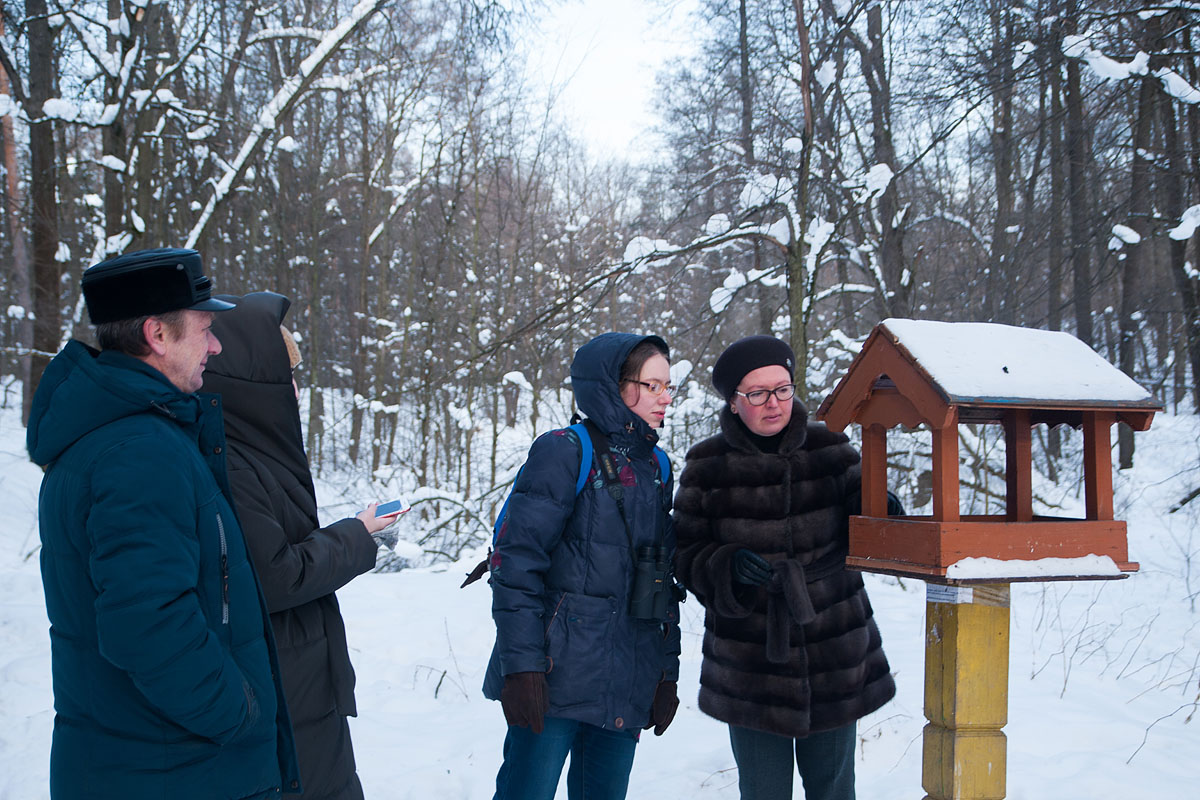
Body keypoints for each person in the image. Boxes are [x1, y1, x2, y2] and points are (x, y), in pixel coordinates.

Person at [26, 248, 300, 799]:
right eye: (205, 329)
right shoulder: (138, 452)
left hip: (149, 762)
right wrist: (238, 713)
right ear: (157, 335)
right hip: (176, 771)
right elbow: (148, 625)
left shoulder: (127, 435)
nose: (215, 346)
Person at [673, 335, 896, 800]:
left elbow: (867, 510)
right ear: (733, 401)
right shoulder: (706, 465)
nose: (773, 403)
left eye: (782, 389)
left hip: (833, 645)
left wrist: (882, 507)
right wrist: (726, 565)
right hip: (750, 660)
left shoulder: (830, 447)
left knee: (834, 789)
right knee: (763, 791)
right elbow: (684, 551)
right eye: (757, 393)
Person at [200, 292, 397, 800]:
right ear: (253, 379)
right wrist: (358, 534)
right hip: (283, 678)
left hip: (301, 675)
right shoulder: (232, 462)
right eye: (284, 372)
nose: (293, 385)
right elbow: (276, 575)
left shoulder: (254, 446)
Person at [482, 333, 682, 800]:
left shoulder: (657, 466)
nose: (665, 398)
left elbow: (662, 577)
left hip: (626, 679)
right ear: (613, 386)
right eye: (652, 386)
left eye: (668, 386)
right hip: (554, 678)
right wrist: (522, 668)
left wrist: (665, 671)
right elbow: (515, 566)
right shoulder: (565, 451)